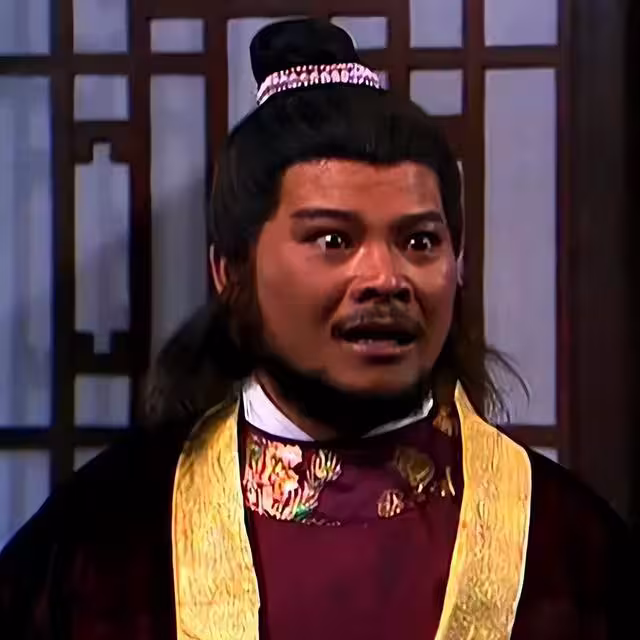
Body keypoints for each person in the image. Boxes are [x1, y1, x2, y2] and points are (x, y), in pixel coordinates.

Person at [0, 18, 632, 640]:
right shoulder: (102, 544)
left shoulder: (569, 549)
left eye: (419, 241)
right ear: (230, 272)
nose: (385, 278)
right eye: (334, 240)